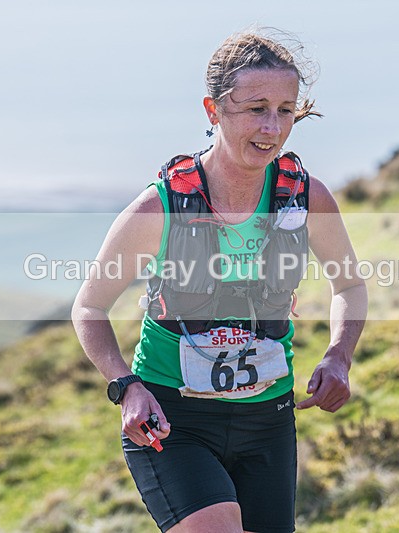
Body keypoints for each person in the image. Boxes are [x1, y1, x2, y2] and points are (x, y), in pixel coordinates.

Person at [72, 29, 367, 533]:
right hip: (172, 420)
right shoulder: (161, 207)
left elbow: (350, 287)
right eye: (256, 109)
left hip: (269, 418)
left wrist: (339, 355)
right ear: (213, 110)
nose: (272, 127)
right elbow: (89, 307)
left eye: (286, 110)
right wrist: (126, 386)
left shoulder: (305, 197)